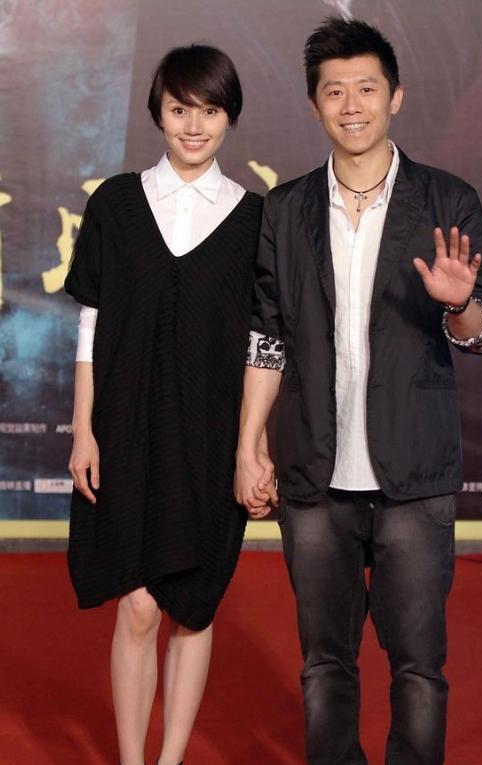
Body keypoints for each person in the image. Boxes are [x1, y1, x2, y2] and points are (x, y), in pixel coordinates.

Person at [235, 17, 482, 765]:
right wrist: (249, 445)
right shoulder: (284, 209)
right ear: (315, 104)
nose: (351, 106)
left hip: (413, 473)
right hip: (313, 475)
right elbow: (266, 337)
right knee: (325, 663)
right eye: (334, 92)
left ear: (396, 96)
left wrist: (459, 302)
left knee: (418, 665)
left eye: (366, 89)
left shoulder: (447, 201)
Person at [65, 45, 263, 765]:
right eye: (180, 109)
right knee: (139, 604)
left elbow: (263, 344)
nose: (194, 126)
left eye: (209, 111)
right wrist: (83, 428)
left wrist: (251, 446)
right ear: (158, 113)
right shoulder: (115, 204)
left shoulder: (255, 219)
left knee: (193, 605)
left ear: (229, 117)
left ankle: (171, 758)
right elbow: (91, 322)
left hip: (208, 437)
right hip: (124, 430)